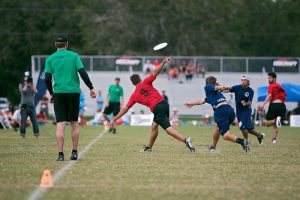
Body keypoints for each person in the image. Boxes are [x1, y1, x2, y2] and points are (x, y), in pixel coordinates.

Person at [108, 57, 195, 152]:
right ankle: (149, 148)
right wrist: (163, 62)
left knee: (168, 130)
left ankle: (186, 141)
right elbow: (156, 72)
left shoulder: (134, 96)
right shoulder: (145, 81)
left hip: (157, 108)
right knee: (154, 126)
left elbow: (125, 109)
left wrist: (114, 118)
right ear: (140, 79)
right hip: (164, 103)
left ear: (133, 84)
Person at [44, 35, 96, 161]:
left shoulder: (50, 59)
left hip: (59, 93)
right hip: (73, 92)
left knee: (60, 123)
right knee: (74, 122)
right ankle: (74, 152)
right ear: (66, 44)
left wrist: (51, 93)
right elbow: (82, 72)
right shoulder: (74, 56)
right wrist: (91, 87)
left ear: (55, 45)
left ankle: (60, 154)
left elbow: (47, 79)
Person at [185, 76, 249, 153]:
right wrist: (191, 103)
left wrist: (222, 87)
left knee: (225, 135)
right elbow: (202, 101)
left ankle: (242, 141)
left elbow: (214, 87)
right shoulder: (213, 95)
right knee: (218, 128)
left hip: (221, 111)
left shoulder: (208, 87)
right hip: (230, 110)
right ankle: (213, 147)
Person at [207, 75, 265, 152]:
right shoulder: (237, 87)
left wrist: (245, 103)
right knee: (248, 128)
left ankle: (246, 142)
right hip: (238, 111)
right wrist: (220, 88)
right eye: (242, 80)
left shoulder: (250, 91)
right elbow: (227, 90)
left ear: (248, 82)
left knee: (242, 126)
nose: (243, 81)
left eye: (245, 80)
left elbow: (250, 102)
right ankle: (259, 135)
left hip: (246, 110)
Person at [259, 72, 286, 144]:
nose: (268, 80)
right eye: (268, 78)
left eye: (270, 78)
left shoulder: (271, 86)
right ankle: (274, 140)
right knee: (276, 124)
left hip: (274, 105)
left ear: (275, 78)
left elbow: (269, 96)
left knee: (265, 123)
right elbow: (284, 96)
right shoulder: (281, 87)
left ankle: (275, 120)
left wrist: (263, 104)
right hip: (282, 106)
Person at [19, 71, 39, 138]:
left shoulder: (32, 84)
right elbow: (23, 91)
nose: (27, 78)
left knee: (34, 121)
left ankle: (36, 134)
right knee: (23, 121)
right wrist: (26, 84)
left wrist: (32, 84)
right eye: (26, 77)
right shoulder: (21, 85)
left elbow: (36, 91)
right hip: (24, 106)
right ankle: (22, 134)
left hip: (31, 106)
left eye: (28, 76)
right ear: (23, 77)